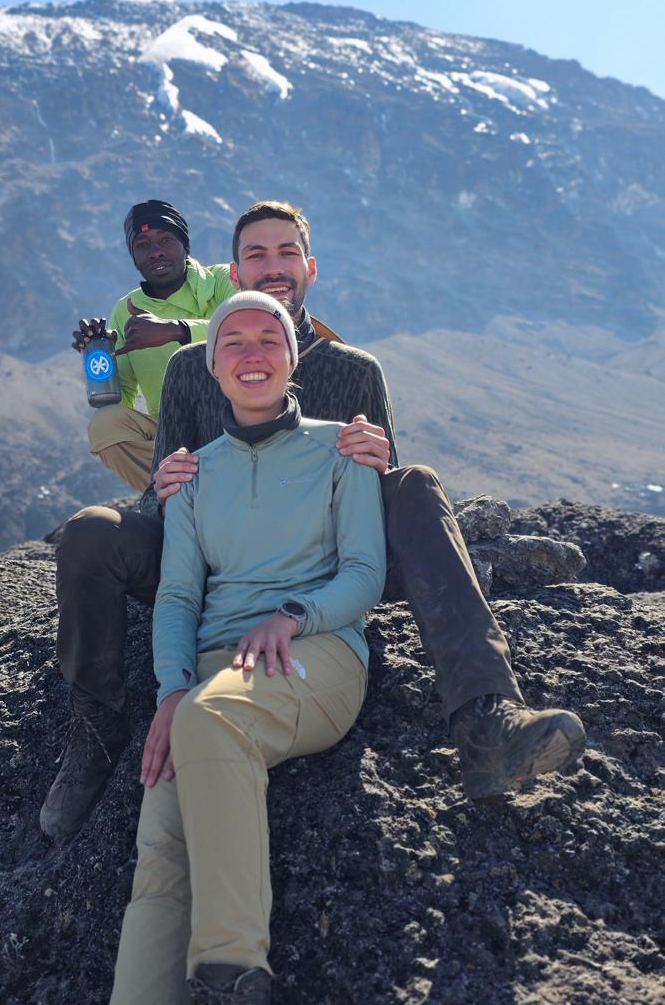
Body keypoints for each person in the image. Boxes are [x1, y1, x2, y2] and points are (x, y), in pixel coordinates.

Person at [40, 199, 585, 842]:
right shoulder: (193, 369)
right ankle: (97, 731)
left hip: (325, 570)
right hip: (221, 566)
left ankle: (487, 720)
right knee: (93, 531)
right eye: (255, 254)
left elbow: (376, 515)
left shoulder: (354, 370)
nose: (273, 267)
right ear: (233, 274)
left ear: (311, 268)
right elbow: (168, 501)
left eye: (286, 252)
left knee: (415, 486)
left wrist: (380, 466)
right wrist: (163, 488)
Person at [109, 291, 387, 1004]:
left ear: (294, 359)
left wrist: (294, 613)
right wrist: (172, 690)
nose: (252, 353)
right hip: (208, 677)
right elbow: (177, 598)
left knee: (212, 718)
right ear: (211, 364)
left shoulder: (343, 447)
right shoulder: (194, 473)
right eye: (234, 341)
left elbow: (364, 572)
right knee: (161, 853)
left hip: (314, 653)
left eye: (270, 338)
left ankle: (230, 974)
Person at [74, 199, 235, 491]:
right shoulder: (126, 310)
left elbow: (253, 329)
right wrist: (98, 359)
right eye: (143, 245)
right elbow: (117, 401)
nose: (156, 252)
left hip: (237, 417)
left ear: (185, 245)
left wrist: (176, 330)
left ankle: (192, 485)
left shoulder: (223, 280)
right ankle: (185, 487)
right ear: (133, 257)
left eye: (166, 240)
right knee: (105, 424)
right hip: (173, 434)